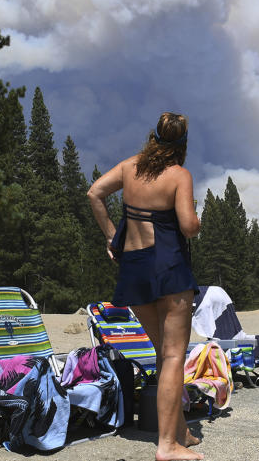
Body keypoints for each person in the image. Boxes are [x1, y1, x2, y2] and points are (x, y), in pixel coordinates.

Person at [88, 111, 203, 461]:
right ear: (182, 144)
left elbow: (94, 193)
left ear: (153, 137)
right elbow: (187, 226)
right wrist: (197, 218)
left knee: (162, 352)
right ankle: (167, 446)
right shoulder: (179, 175)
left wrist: (112, 236)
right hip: (167, 266)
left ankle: (179, 428)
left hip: (135, 266)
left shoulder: (130, 166)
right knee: (173, 355)